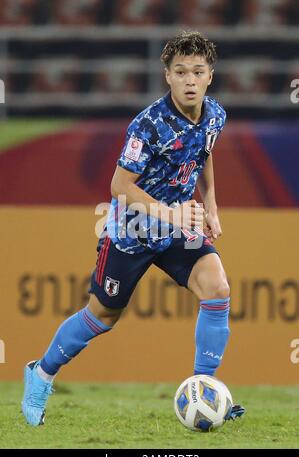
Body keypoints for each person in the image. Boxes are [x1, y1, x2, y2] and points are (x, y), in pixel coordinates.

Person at [22, 31, 245, 426]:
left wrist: (210, 205)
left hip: (175, 226)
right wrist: (175, 215)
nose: (189, 80)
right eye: (180, 72)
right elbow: (119, 186)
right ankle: (40, 373)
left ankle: (204, 390)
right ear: (168, 77)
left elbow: (204, 153)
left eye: (197, 71)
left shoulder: (215, 115)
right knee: (102, 316)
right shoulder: (149, 125)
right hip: (132, 230)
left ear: (210, 75)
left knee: (218, 288)